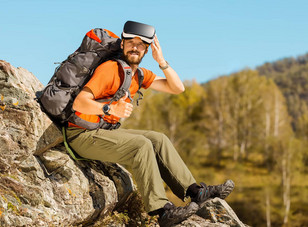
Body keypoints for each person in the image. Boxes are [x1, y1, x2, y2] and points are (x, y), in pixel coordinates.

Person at [66, 21, 234, 227]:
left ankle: (195, 192)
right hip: (81, 135)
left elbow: (177, 88)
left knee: (158, 139)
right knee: (141, 146)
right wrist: (110, 109)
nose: (135, 47)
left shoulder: (137, 74)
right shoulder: (109, 69)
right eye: (130, 42)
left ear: (147, 49)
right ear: (122, 44)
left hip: (101, 132)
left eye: (141, 45)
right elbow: (79, 103)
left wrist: (161, 60)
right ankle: (161, 211)